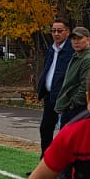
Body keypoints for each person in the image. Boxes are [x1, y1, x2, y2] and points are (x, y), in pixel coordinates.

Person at [36, 18, 72, 154]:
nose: (56, 34)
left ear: (67, 32)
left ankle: (62, 168)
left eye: (59, 31)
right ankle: (44, 164)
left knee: (64, 132)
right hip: (50, 96)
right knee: (45, 128)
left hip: (64, 97)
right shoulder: (51, 49)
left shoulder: (71, 50)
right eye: (53, 31)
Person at [55, 25, 90, 129]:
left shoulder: (88, 59)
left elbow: (86, 85)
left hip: (77, 109)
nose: (76, 41)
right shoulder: (77, 56)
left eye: (79, 38)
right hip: (70, 107)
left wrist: (73, 104)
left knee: (70, 141)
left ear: (88, 40)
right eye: (74, 38)